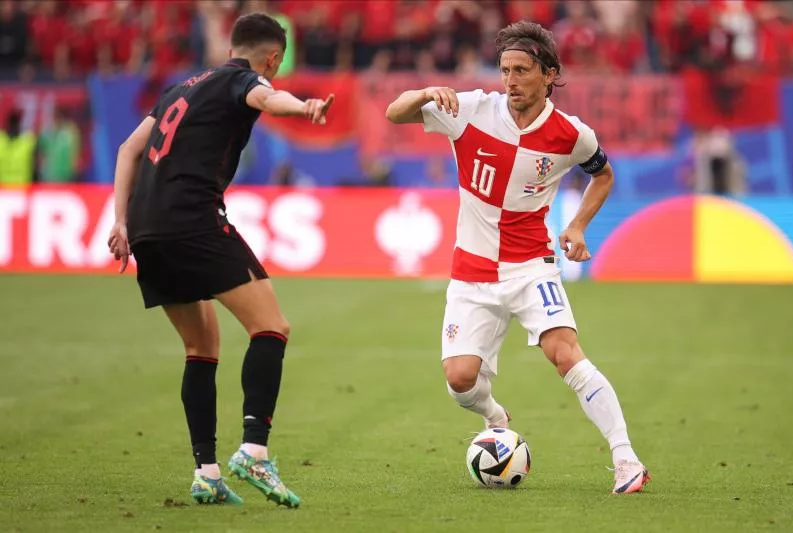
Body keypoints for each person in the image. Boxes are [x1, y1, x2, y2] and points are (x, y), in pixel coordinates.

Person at [385, 20, 649, 494]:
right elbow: (394, 113)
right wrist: (424, 91)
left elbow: (603, 175)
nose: (510, 81)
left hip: (531, 266)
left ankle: (626, 459)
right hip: (471, 271)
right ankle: (495, 416)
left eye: (521, 70)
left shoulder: (571, 134)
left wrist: (577, 225)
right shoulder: (469, 109)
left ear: (549, 74)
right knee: (459, 380)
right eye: (505, 69)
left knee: (565, 353)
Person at [107, 13, 334, 507]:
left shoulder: (182, 86)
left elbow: (128, 148)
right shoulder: (244, 79)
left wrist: (121, 222)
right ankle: (254, 450)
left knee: (201, 345)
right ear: (272, 57)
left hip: (146, 227)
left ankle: (206, 472)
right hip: (192, 219)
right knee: (271, 327)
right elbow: (267, 98)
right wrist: (304, 108)